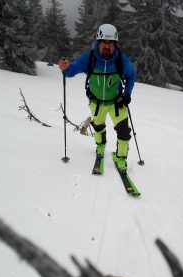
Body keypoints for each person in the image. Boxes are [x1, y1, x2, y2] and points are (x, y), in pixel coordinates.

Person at [58, 24, 136, 172]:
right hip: (96, 102)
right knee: (98, 127)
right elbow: (70, 71)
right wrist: (65, 68)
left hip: (117, 102)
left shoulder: (121, 60)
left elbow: (132, 75)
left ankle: (121, 158)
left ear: (115, 45)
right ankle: (100, 146)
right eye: (104, 43)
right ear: (98, 43)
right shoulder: (89, 58)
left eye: (111, 43)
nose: (107, 47)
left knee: (124, 131)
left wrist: (128, 93)